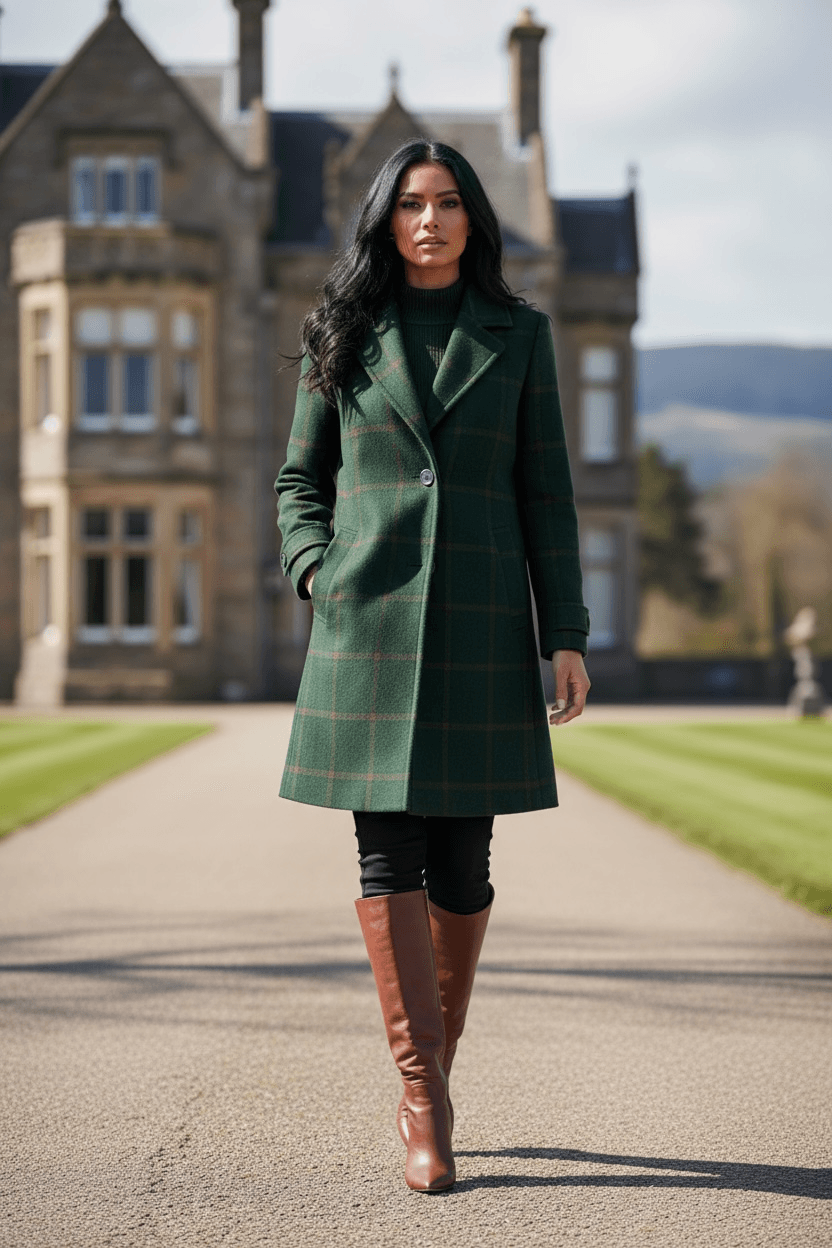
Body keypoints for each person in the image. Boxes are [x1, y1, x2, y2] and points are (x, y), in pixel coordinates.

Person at [275, 139, 590, 1193]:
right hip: (365, 632)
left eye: (448, 202)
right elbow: (296, 479)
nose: (429, 220)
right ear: (384, 219)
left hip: (480, 629)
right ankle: (425, 1099)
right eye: (410, 204)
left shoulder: (522, 335)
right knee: (387, 859)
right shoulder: (340, 331)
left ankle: (433, 1069)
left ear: (472, 219)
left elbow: (548, 495)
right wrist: (317, 569)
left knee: (463, 870)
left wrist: (567, 632)